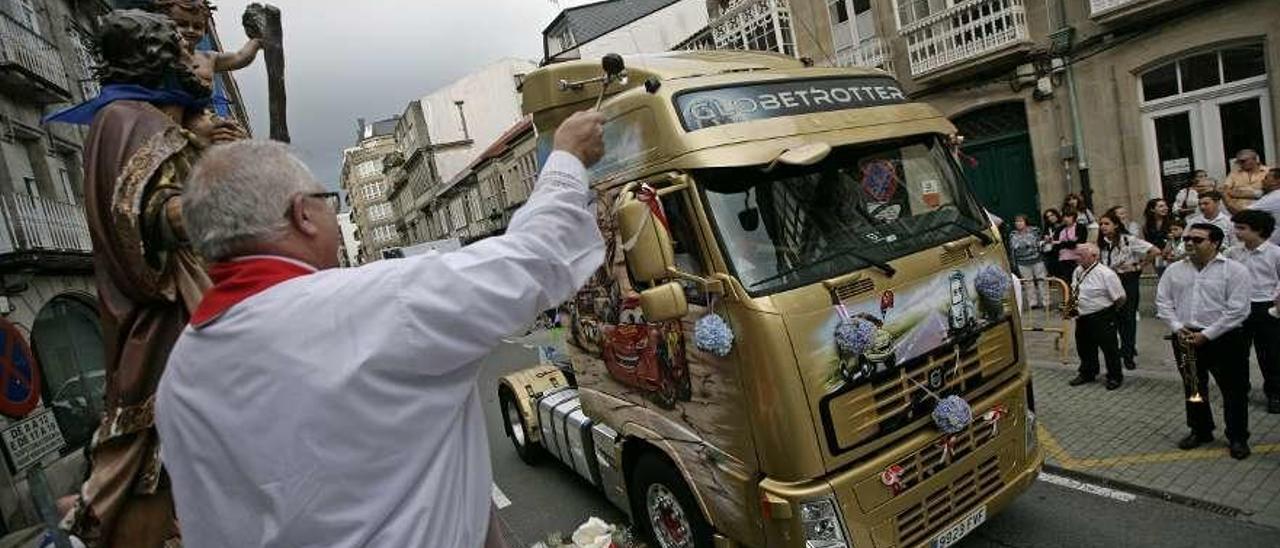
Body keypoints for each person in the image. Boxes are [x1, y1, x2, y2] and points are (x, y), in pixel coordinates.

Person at [156, 112, 607, 547]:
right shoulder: (371, 304)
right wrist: (566, 156)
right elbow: (537, 257)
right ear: (303, 215)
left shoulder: (178, 376)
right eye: (327, 200)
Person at [42, 11, 242, 546]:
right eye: (177, 48)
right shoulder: (131, 119)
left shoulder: (131, 118)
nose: (188, 56)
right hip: (162, 309)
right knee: (157, 445)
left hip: (172, 294)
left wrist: (196, 140)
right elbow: (146, 212)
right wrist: (228, 198)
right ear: (154, 59)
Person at [1156, 223, 1252, 459]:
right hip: (1186, 337)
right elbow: (1163, 302)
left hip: (1225, 338)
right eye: (1187, 238)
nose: (1189, 242)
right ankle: (1200, 429)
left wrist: (1207, 335)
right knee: (1194, 387)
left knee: (1233, 390)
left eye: (1197, 240)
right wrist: (1178, 328)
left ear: (1215, 243)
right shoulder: (1174, 270)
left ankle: (1237, 437)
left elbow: (1238, 310)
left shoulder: (1235, 271)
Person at [1225, 210, 1280, 414]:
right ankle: (1240, 391)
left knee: (1271, 354)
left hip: (1266, 308)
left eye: (1242, 228)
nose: (1237, 232)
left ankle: (1275, 394)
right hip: (1240, 307)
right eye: (1236, 227)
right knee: (1238, 353)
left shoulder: (1274, 253)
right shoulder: (1233, 253)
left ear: (1258, 230)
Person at [1097, 211, 1157, 370]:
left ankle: (1128, 353)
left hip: (1127, 280)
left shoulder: (1128, 240)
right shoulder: (1101, 243)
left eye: (1107, 224)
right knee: (1112, 318)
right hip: (1109, 281)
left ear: (1116, 225)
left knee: (1127, 318)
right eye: (1101, 224)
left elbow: (1154, 251)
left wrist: (1139, 266)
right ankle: (1119, 349)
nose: (1103, 227)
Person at [1067, 243, 1127, 390]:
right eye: (1077, 254)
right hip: (1082, 316)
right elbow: (1075, 290)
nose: (1077, 258)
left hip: (1102, 316)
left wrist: (1109, 313)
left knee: (1109, 348)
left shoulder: (1106, 274)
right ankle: (1088, 372)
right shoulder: (1077, 271)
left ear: (1094, 256)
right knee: (1084, 346)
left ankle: (1114, 377)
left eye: (1081, 255)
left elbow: (1120, 298)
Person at [1009, 214, 1049, 308]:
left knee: (1042, 280)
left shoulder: (1034, 231)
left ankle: (1046, 302)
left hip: (1036, 260)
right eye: (1017, 222)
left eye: (1020, 221)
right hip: (1022, 262)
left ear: (1025, 222)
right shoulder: (1013, 234)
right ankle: (1033, 303)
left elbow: (1039, 243)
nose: (1018, 223)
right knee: (1028, 282)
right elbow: (1013, 248)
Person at [1221, 149, 1271, 214]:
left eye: (1243, 161)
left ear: (1254, 159)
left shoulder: (1268, 171)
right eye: (1238, 162)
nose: (1240, 164)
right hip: (1236, 211)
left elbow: (1270, 192)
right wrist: (1230, 205)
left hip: (1261, 210)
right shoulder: (1234, 173)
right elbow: (1225, 191)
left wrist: (1237, 193)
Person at [1050, 208, 1088, 282]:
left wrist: (1062, 243)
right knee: (1068, 280)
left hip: (1077, 258)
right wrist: (1066, 243)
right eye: (1064, 217)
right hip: (1063, 259)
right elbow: (1055, 244)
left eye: (1069, 216)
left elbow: (1079, 242)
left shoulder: (1080, 227)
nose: (1066, 219)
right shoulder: (1060, 229)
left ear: (1074, 217)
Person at [1247, 167, 1280, 245]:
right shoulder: (1269, 193)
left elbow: (1242, 213)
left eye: (1266, 178)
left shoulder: (1275, 197)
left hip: (1271, 243)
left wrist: (1225, 196)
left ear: (1276, 182)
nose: (1262, 180)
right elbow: (1247, 193)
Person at [1040, 208, 1064, 278]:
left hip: (1062, 253)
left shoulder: (1063, 226)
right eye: (1048, 217)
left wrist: (1053, 240)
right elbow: (1041, 241)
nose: (1050, 218)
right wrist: (1045, 241)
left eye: (1052, 215)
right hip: (1052, 256)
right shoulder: (1048, 229)